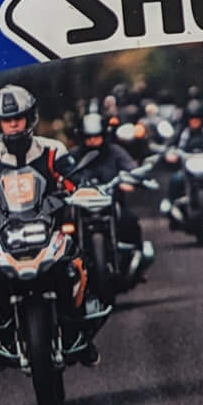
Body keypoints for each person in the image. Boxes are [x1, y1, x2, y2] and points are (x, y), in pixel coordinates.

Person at [0, 84, 99, 363]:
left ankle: (78, 333)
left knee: (80, 268)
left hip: (50, 230)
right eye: (7, 119)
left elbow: (72, 176)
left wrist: (84, 189)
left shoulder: (52, 150)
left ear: (30, 117)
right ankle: (2, 338)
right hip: (5, 235)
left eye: (18, 117)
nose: (13, 124)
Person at [69, 111, 152, 284]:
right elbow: (61, 173)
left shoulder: (115, 152)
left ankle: (137, 264)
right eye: (88, 137)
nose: (93, 141)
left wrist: (132, 179)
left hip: (112, 205)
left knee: (130, 221)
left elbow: (131, 168)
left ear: (104, 135)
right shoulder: (73, 155)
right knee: (64, 230)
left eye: (96, 137)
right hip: (80, 208)